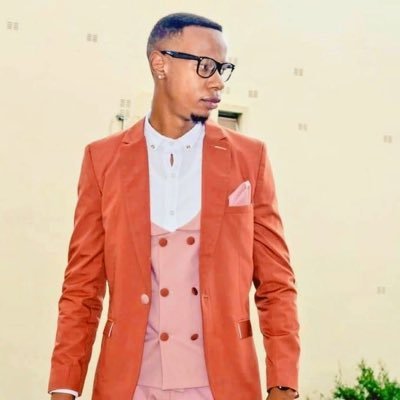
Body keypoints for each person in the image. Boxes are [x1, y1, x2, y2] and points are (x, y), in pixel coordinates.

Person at [48, 12, 300, 400]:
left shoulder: (249, 158)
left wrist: (283, 383)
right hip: (129, 385)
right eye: (205, 66)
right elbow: (82, 287)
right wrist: (64, 386)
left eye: (223, 69)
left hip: (224, 385)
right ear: (160, 64)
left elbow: (277, 284)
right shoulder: (103, 159)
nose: (218, 81)